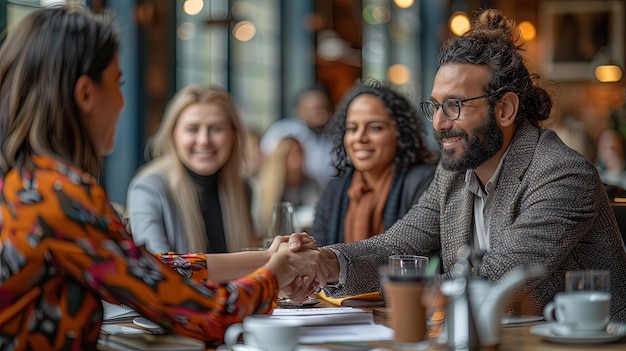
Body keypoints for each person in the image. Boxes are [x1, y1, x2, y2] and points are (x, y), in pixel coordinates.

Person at [0, 5, 318, 350]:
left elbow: (146, 268)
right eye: (118, 83)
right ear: (86, 94)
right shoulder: (59, 195)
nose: (122, 101)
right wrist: (274, 275)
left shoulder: (26, 185)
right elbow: (207, 315)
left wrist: (268, 261)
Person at [286, 9, 626, 321]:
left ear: (505, 109)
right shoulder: (454, 173)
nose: (438, 123)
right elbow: (397, 246)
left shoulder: (560, 173)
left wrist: (402, 292)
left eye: (454, 106)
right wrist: (326, 263)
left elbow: (500, 276)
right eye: (434, 106)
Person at [127, 85, 255, 254]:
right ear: (173, 135)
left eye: (216, 128)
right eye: (192, 129)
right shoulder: (148, 189)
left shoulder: (243, 188)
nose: (203, 140)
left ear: (233, 135)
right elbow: (158, 266)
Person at [310, 79, 435, 246]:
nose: (360, 138)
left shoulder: (424, 182)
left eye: (375, 128)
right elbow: (317, 255)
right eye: (352, 128)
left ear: (400, 133)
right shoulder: (335, 190)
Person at [260, 85, 335, 188]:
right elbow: (265, 164)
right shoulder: (283, 130)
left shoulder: (331, 139)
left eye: (324, 108)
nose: (320, 113)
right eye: (314, 109)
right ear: (299, 110)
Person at [255, 137, 321, 234]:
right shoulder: (265, 187)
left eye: (300, 153)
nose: (298, 159)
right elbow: (260, 223)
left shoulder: (311, 184)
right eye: (292, 155)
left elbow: (317, 213)